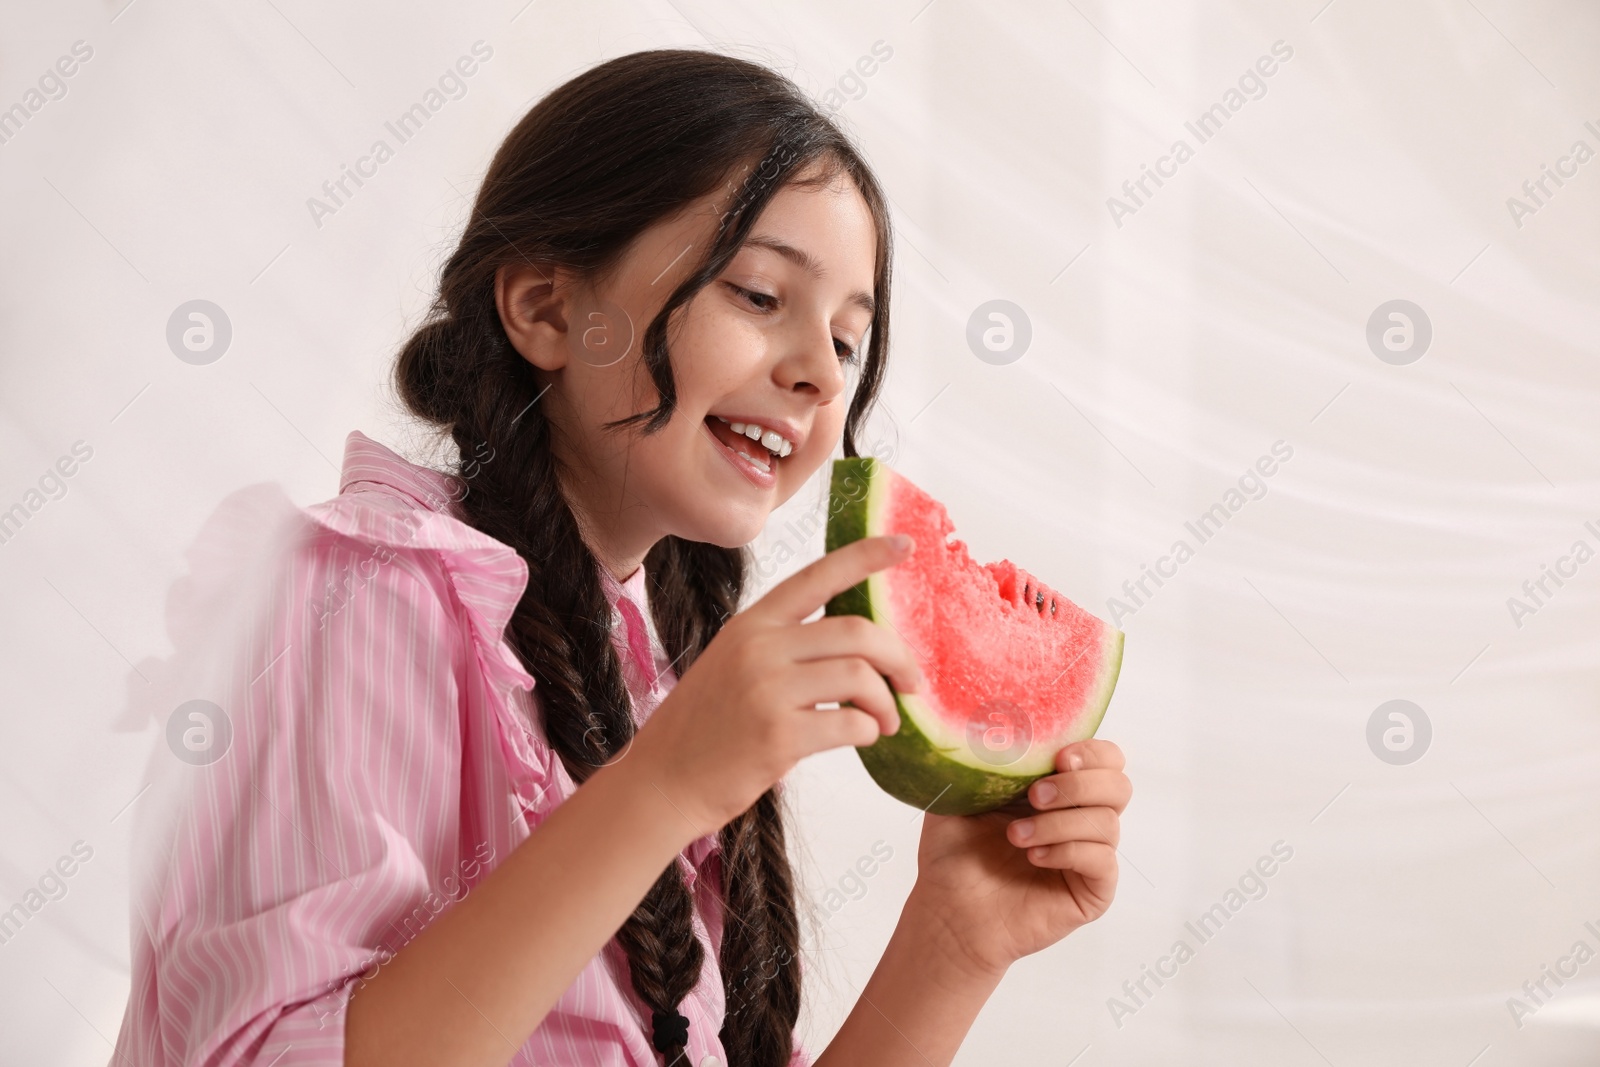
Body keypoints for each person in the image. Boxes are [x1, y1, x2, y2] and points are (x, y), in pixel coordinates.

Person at [111, 48, 1132, 1067]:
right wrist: (661, 789)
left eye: (850, 340)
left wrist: (952, 939)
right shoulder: (356, 589)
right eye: (760, 294)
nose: (822, 372)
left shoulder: (659, 675)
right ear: (549, 309)